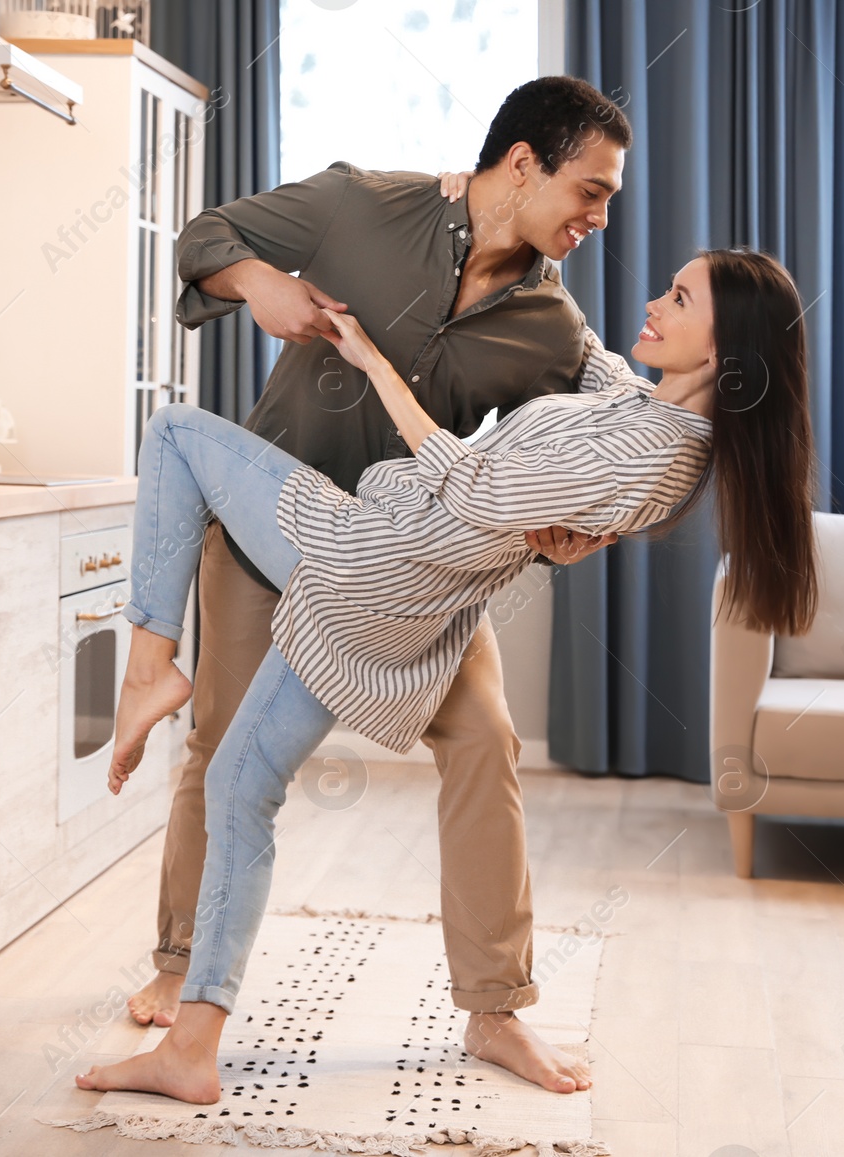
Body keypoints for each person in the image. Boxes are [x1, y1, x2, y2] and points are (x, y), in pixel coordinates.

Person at [80, 247, 818, 1103]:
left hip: (364, 559)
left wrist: (374, 362)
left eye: (680, 298)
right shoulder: (647, 418)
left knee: (173, 432)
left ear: (725, 354)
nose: (656, 301)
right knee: (241, 784)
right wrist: (529, 252)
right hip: (396, 592)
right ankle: (192, 1049)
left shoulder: (648, 450)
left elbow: (470, 483)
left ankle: (149, 668)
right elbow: (594, 366)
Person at [127, 75, 632, 1094]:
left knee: (485, 738)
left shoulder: (550, 327)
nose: (598, 218)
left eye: (608, 199)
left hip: (411, 568)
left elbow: (605, 438)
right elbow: (204, 234)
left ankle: (495, 1008)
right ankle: (178, 965)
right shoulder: (362, 204)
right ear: (522, 162)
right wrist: (254, 283)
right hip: (270, 534)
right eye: (589, 190)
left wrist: (575, 529)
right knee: (221, 740)